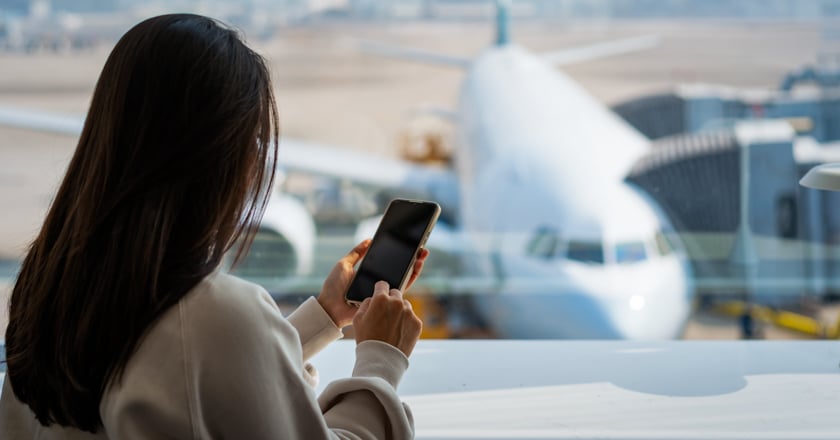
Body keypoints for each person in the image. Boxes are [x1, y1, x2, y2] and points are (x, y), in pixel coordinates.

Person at [0, 13, 426, 439]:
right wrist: (381, 359)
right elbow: (200, 353)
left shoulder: (52, 289)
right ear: (219, 159)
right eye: (252, 142)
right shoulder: (216, 317)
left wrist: (326, 316)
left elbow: (188, 374)